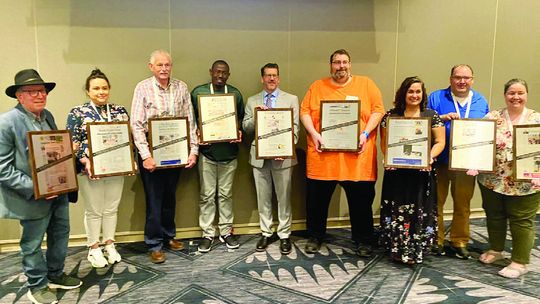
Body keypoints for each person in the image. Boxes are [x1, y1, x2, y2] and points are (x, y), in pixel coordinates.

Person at [0, 69, 82, 303]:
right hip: (32, 197)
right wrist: (35, 189)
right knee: (32, 243)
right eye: (32, 91)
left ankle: (55, 274)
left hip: (58, 193)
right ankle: (37, 285)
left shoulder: (47, 116)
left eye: (42, 90)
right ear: (19, 95)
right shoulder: (6, 122)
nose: (39, 95)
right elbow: (2, 169)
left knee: (60, 234)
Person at [300, 49, 385, 256]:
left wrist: (365, 133)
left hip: (357, 160)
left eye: (344, 62)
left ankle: (363, 239)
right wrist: (314, 134)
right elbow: (304, 112)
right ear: (331, 65)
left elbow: (378, 110)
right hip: (323, 159)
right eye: (336, 62)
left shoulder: (366, 84)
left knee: (361, 203)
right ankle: (316, 236)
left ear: (350, 64)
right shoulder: (317, 86)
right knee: (317, 203)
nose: (341, 66)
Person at [131, 50, 199, 264]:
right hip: (151, 153)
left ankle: (169, 236)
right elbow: (136, 124)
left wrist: (193, 151)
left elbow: (190, 122)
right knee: (154, 200)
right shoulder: (142, 88)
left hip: (176, 152)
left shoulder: (181, 87)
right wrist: (145, 155)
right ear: (150, 66)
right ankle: (154, 243)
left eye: (167, 64)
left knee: (170, 197)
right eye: (159, 65)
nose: (163, 68)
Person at [472, 79, 540, 278]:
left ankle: (519, 261)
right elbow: (477, 142)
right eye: (511, 93)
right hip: (492, 180)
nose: (515, 97)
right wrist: (472, 162)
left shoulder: (537, 120)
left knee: (522, 220)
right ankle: (496, 250)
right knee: (494, 215)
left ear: (526, 95)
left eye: (520, 93)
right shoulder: (493, 117)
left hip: (527, 183)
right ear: (505, 95)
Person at [66, 69, 129, 268]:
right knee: (94, 210)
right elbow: (72, 142)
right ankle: (93, 248)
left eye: (104, 88)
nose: (101, 92)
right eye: (96, 88)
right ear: (87, 91)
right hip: (90, 169)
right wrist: (85, 161)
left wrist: (130, 160)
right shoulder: (77, 113)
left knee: (111, 208)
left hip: (116, 167)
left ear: (109, 89)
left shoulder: (119, 111)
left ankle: (109, 244)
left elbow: (127, 139)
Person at [379, 77, 445, 265]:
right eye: (410, 91)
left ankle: (417, 247)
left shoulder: (431, 115)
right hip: (397, 173)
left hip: (422, 173)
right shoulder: (390, 116)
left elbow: (440, 142)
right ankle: (397, 247)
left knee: (419, 208)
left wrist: (430, 156)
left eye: (418, 91)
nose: (414, 95)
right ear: (403, 93)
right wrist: (388, 158)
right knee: (397, 208)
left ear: (423, 94)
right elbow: (385, 144)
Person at [428, 64, 489, 259]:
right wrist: (442, 118)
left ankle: (459, 240)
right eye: (457, 77)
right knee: (435, 202)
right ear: (450, 79)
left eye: (466, 78)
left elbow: (486, 131)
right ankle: (435, 240)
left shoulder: (481, 101)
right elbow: (424, 122)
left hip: (466, 163)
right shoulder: (436, 97)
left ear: (472, 79)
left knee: (463, 203)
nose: (462, 81)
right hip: (440, 159)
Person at [242, 63, 299, 255]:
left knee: (284, 198)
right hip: (259, 157)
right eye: (268, 76)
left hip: (283, 157)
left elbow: (295, 130)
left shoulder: (291, 99)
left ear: (279, 78)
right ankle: (265, 232)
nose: (271, 79)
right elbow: (246, 128)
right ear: (262, 79)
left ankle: (284, 234)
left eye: (274, 75)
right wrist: (256, 116)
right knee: (263, 197)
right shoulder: (252, 101)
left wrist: (287, 148)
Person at [191, 60, 244, 253]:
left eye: (224, 73)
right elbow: (191, 121)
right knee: (206, 195)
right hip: (207, 154)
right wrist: (198, 135)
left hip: (229, 155)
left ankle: (226, 231)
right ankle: (207, 233)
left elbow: (239, 119)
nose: (220, 76)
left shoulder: (235, 94)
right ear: (211, 72)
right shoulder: (199, 92)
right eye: (217, 72)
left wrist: (238, 132)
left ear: (228, 75)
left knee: (225, 195)